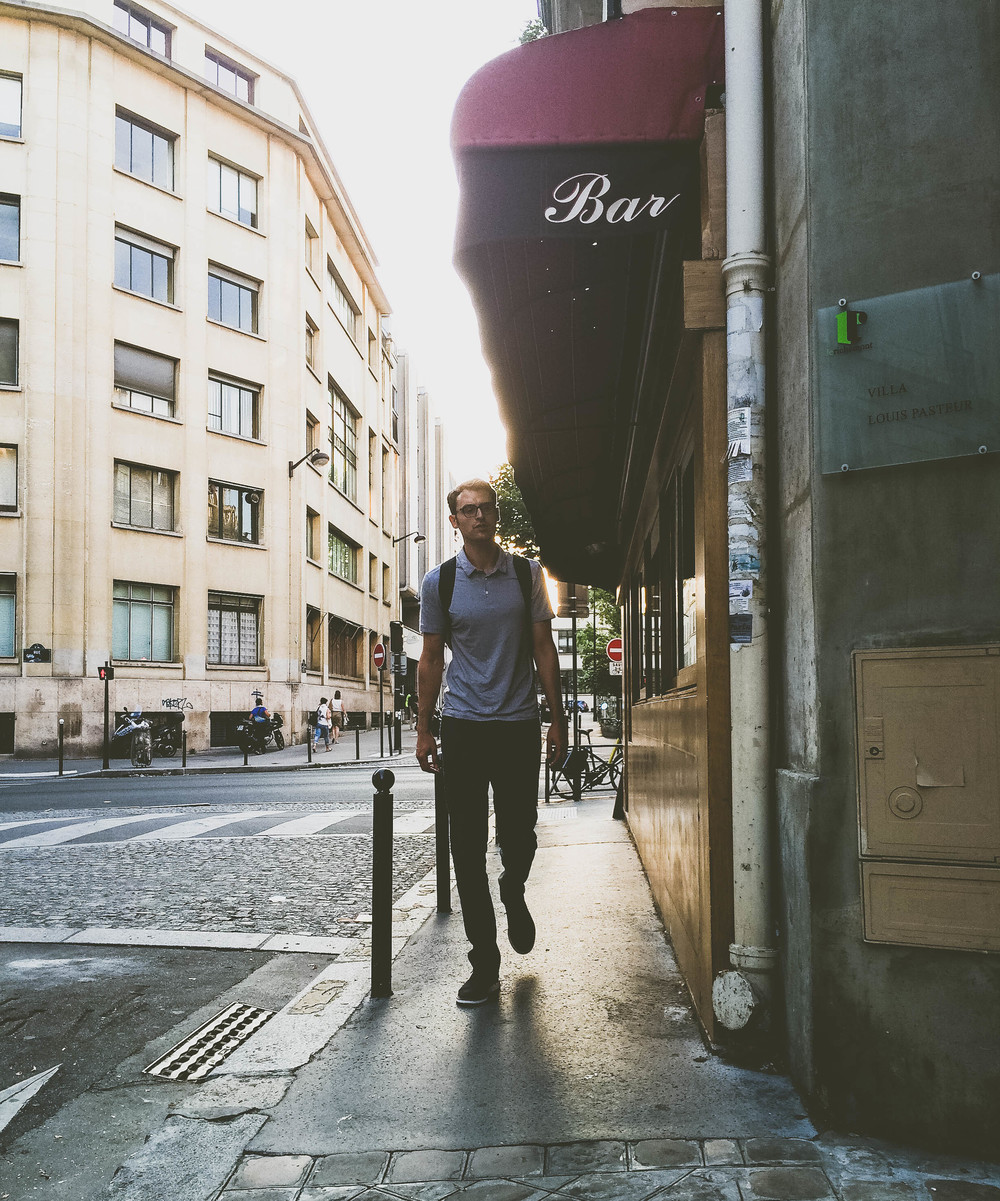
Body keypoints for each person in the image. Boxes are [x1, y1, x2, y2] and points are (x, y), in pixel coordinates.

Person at [416, 478, 567, 1007]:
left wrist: (558, 717)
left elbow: (543, 648)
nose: (480, 516)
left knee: (519, 835)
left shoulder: (526, 574)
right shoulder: (441, 583)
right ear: (454, 521)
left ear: (496, 516)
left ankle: (514, 889)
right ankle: (484, 963)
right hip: (463, 725)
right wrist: (424, 727)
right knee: (466, 848)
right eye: (469, 510)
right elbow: (431, 658)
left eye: (487, 508)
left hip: (518, 723)